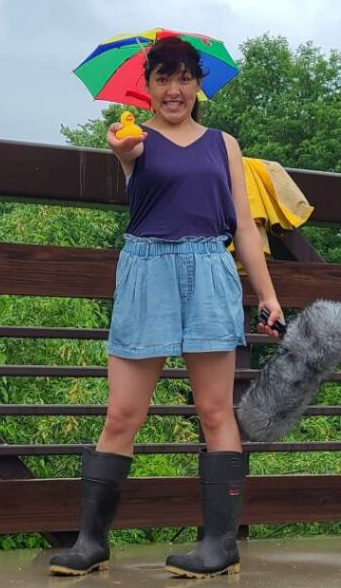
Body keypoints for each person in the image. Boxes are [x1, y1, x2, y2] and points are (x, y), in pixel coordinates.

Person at [48, 35, 284, 579]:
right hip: (146, 270)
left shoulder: (224, 144)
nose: (174, 89)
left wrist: (267, 295)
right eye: (163, 78)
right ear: (146, 86)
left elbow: (244, 226)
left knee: (216, 412)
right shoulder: (133, 139)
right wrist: (123, 150)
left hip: (209, 268)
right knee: (121, 413)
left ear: (198, 84)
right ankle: (91, 542)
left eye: (184, 77)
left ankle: (220, 546)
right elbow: (128, 158)